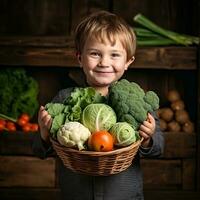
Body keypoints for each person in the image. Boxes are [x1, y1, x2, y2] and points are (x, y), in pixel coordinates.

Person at [33, 10, 164, 200]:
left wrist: (148, 138)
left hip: (125, 195)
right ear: (79, 58)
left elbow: (159, 148)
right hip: (77, 195)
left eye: (114, 55)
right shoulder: (64, 98)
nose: (104, 62)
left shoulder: (139, 102)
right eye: (95, 53)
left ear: (128, 61)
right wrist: (44, 135)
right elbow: (38, 150)